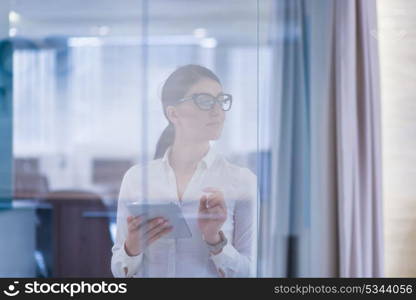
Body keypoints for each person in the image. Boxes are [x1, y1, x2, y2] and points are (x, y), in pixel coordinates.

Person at [111, 64, 257, 277]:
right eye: (205, 101)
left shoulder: (241, 181)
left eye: (220, 100)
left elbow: (250, 274)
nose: (217, 111)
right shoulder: (137, 178)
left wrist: (215, 240)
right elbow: (119, 271)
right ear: (173, 113)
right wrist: (132, 247)